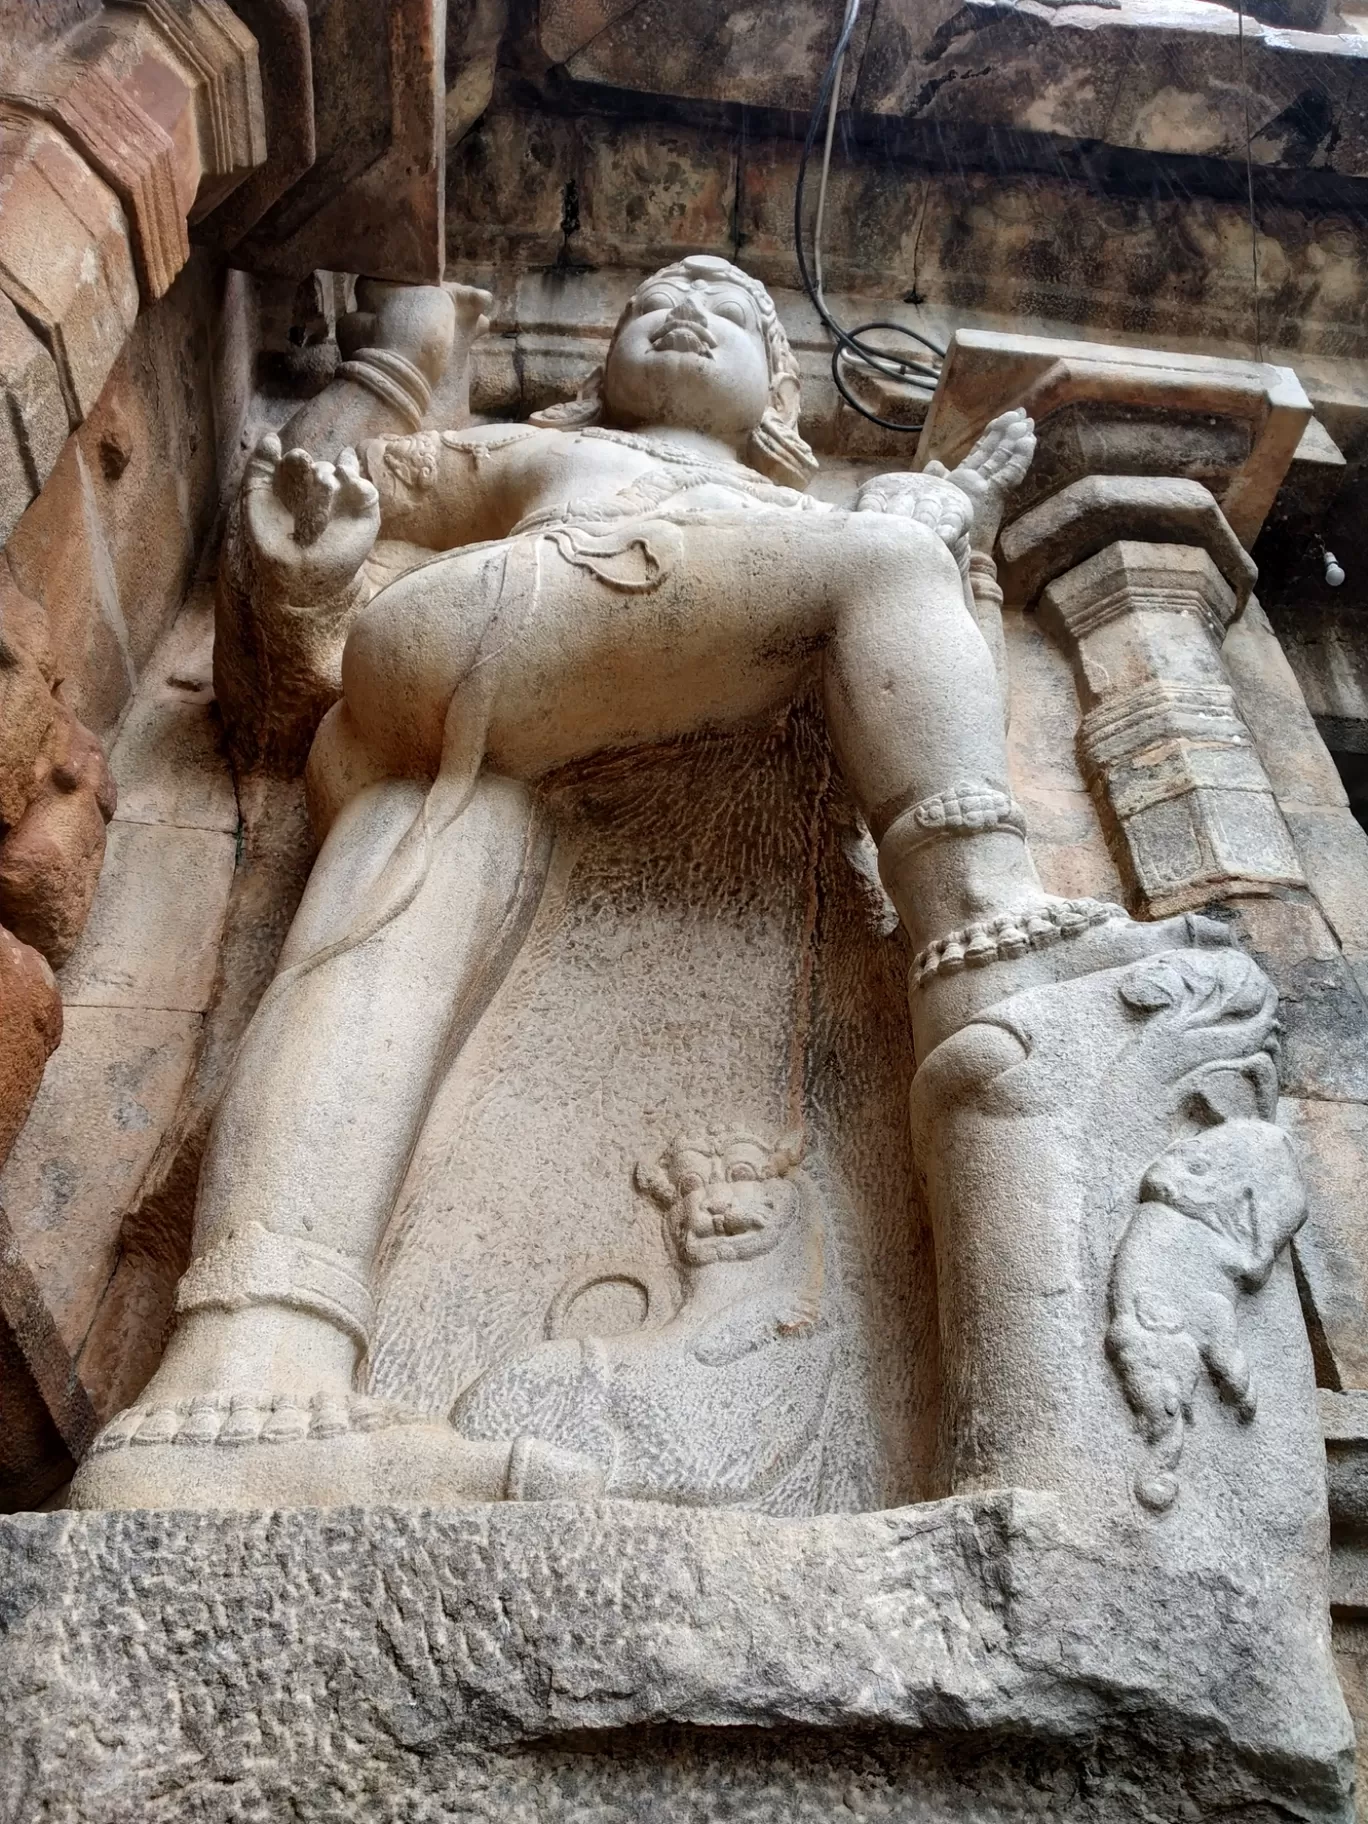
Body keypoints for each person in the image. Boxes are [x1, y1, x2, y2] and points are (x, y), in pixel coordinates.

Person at [70, 256, 1218, 1510]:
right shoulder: (557, 461)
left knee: (409, 894)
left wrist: (963, 550)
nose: (684, 311)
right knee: (882, 568)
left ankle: (249, 1366)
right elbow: (337, 472)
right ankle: (988, 913)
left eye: (731, 313)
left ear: (779, 397)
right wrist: (377, 402)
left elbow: (923, 695)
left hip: (488, 719)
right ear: (593, 372)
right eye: (654, 302)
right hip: (515, 605)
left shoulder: (785, 522)